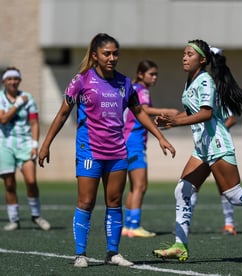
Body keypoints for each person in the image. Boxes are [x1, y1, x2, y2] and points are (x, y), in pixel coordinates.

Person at [152, 39, 242, 262]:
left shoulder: (204, 81)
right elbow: (192, 113)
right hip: (203, 147)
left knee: (235, 196)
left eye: (189, 54)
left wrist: (175, 123)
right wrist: (171, 119)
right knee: (182, 191)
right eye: (183, 53)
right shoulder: (190, 81)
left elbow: (206, 114)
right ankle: (180, 246)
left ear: (202, 60)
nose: (184, 57)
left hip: (217, 145)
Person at [38, 33, 176, 268]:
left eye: (115, 53)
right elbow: (63, 114)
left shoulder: (125, 83)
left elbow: (139, 112)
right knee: (86, 201)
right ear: (95, 55)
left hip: (117, 152)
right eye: (107, 53)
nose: (112, 58)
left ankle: (113, 253)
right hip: (89, 151)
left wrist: (161, 137)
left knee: (114, 201)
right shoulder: (81, 80)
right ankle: (80, 253)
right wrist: (46, 143)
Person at [122, 60, 179, 238]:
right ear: (141, 74)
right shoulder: (141, 89)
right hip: (134, 142)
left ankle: (127, 226)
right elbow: (144, 109)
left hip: (126, 141)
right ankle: (135, 225)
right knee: (141, 185)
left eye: (156, 74)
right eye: (151, 74)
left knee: (133, 187)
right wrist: (167, 110)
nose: (154, 77)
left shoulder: (133, 88)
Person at [0, 67, 51, 231]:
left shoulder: (28, 97)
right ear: (4, 81)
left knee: (31, 180)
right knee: (9, 183)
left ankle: (36, 216)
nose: (13, 82)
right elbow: (3, 119)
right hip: (5, 144)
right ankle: (14, 219)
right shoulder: (1, 98)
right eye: (9, 79)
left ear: (19, 80)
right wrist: (18, 104)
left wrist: (35, 144)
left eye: (15, 79)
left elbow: (34, 122)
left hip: (25, 144)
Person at [190, 111, 239, 236]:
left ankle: (229, 224)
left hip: (218, 148)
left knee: (225, 189)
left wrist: (215, 134)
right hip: (203, 149)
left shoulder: (217, 94)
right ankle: (185, 223)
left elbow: (232, 118)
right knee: (191, 185)